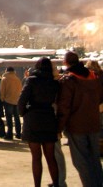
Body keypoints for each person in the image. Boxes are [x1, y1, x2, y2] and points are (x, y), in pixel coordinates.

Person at [57, 51, 103, 187]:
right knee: (94, 159)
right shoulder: (94, 78)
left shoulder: (69, 80)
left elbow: (64, 107)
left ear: (65, 62)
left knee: (81, 161)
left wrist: (59, 127)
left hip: (76, 126)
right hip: (93, 124)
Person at [18, 57, 59, 187]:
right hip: (49, 117)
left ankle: (37, 185)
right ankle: (56, 184)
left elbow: (22, 100)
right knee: (51, 156)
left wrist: (23, 113)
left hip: (33, 117)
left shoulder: (31, 80)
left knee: (36, 157)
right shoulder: (55, 82)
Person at [0, 66, 22, 140]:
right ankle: (18, 133)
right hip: (17, 100)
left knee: (9, 118)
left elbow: (2, 90)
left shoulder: (4, 79)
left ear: (6, 70)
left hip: (8, 100)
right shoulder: (17, 79)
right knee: (17, 118)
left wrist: (2, 99)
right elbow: (20, 89)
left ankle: (9, 134)